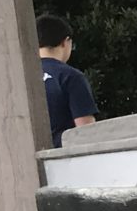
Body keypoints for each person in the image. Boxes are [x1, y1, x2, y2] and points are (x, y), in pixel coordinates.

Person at [37, 14, 97, 147]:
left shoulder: (22, 78)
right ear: (66, 42)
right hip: (62, 160)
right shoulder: (70, 76)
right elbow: (86, 131)